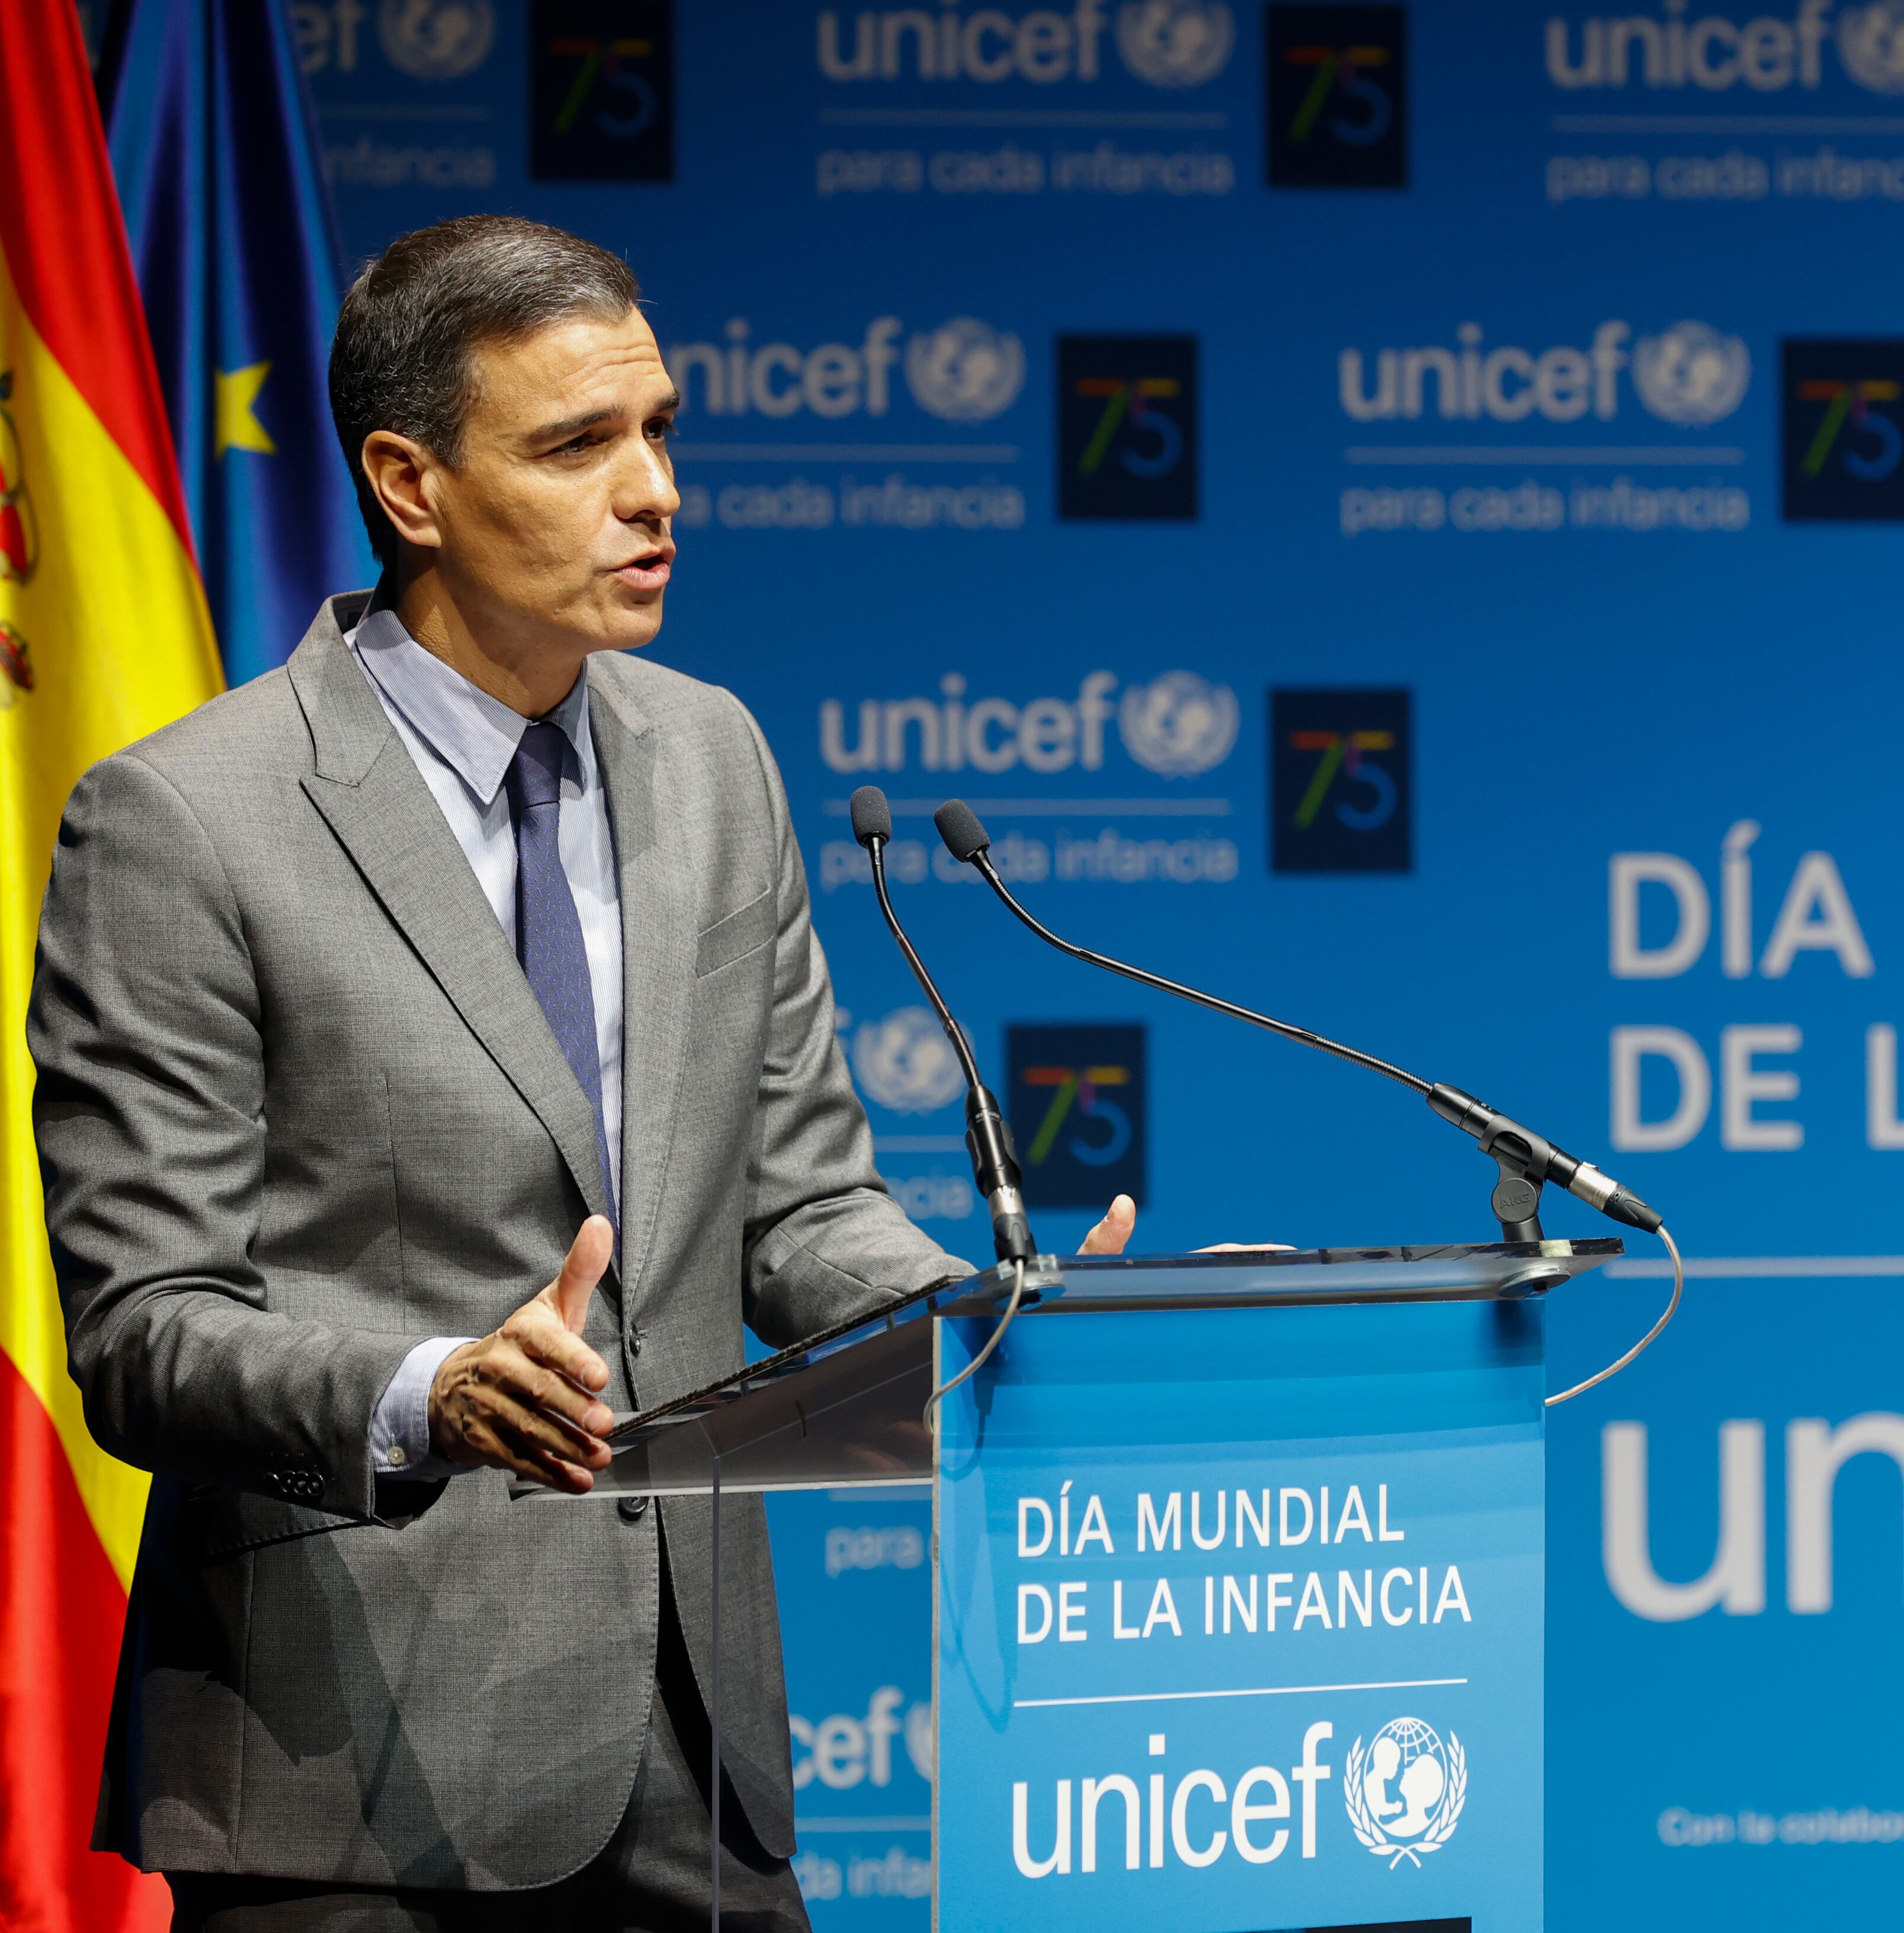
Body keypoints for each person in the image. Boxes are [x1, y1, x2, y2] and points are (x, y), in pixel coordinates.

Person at [30, 214, 1130, 1931]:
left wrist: (975, 1314)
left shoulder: (711, 757)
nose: (654, 489)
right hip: (355, 1786)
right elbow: (145, 1330)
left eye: (661, 429)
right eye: (577, 445)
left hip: (695, 1763)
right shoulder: (187, 820)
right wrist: (431, 1392)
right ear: (411, 485)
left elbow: (798, 1203)